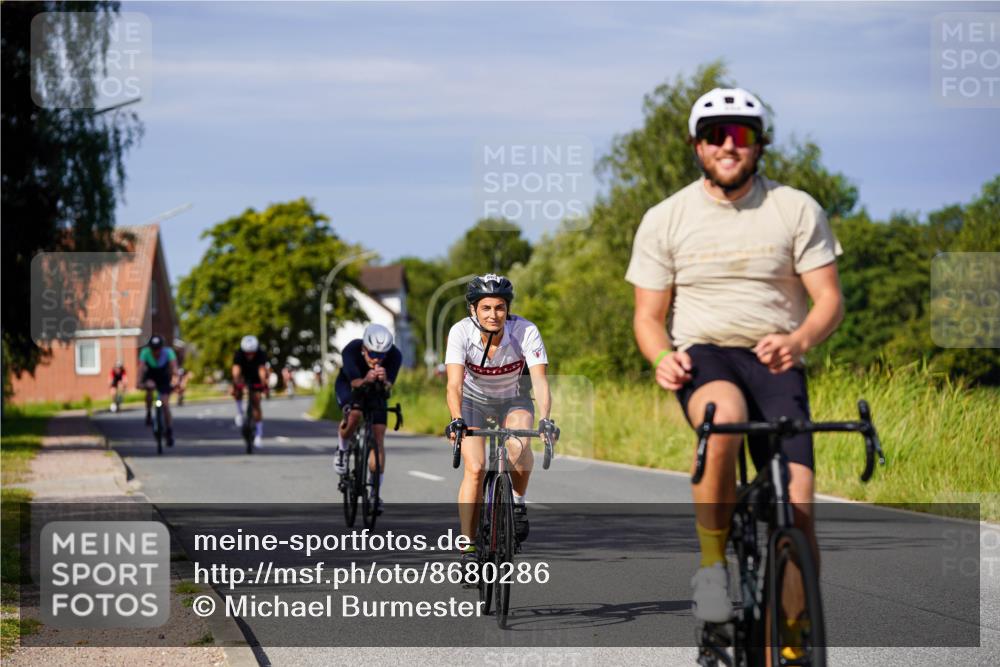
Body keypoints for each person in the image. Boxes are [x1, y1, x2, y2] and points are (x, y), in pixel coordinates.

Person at [626, 87, 843, 650]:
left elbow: (828, 301)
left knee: (797, 508)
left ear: (759, 144)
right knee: (722, 418)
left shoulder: (795, 208)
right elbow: (649, 317)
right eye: (715, 134)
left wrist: (798, 338)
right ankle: (712, 567)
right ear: (697, 146)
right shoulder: (666, 218)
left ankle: (794, 645)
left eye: (742, 134)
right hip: (706, 352)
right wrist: (661, 358)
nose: (729, 144)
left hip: (777, 357)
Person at [444, 274, 558, 576]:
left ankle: (517, 502)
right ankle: (468, 546)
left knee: (519, 445)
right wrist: (456, 420)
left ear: (507, 310)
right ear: (473, 310)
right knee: (476, 468)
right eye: (486, 308)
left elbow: (540, 382)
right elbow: (454, 385)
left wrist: (545, 419)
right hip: (473, 401)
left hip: (514, 398)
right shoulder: (460, 333)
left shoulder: (525, 331)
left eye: (500, 308)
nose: (493, 315)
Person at [333, 323, 403, 513]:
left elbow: (389, 387)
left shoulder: (395, 355)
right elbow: (355, 383)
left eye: (382, 356)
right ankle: (342, 448)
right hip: (350, 385)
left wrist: (384, 380)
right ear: (364, 349)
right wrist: (367, 378)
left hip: (376, 390)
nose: (377, 359)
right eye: (373, 354)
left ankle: (375, 491)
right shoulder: (351, 350)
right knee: (354, 415)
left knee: (378, 435)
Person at [139, 335, 178, 446]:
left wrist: (176, 381)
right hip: (151, 376)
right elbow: (141, 369)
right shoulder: (145, 352)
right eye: (153, 349)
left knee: (165, 404)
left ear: (162, 347)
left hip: (164, 377)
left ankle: (169, 431)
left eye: (158, 349)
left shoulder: (168, 352)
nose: (156, 352)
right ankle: (148, 412)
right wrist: (139, 382)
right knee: (149, 389)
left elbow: (174, 368)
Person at [232, 335, 270, 448]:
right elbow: (236, 371)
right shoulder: (239, 354)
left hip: (256, 376)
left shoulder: (260, 353)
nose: (250, 355)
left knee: (256, 401)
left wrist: (264, 384)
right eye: (247, 353)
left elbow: (262, 371)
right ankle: (240, 413)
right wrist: (236, 384)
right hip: (244, 374)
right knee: (237, 390)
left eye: (252, 353)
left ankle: (259, 434)